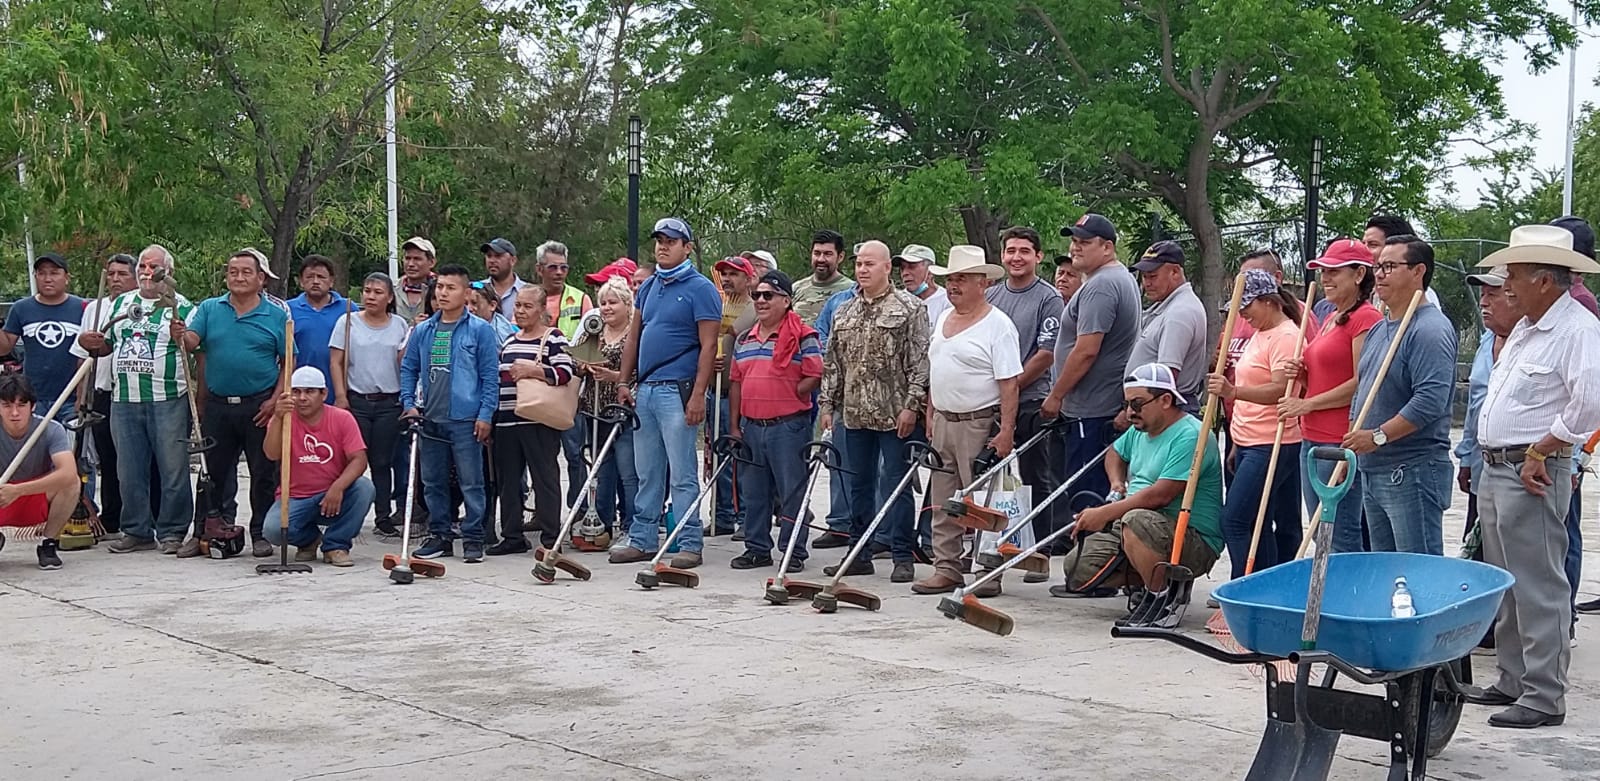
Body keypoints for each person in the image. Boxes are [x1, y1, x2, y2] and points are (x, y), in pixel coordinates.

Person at [1463, 224, 1600, 729]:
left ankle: (1543, 694)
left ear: (1543, 280)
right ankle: (1513, 678)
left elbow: (1590, 403)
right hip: (1503, 466)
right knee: (1507, 581)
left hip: (1531, 468)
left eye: (1514, 276)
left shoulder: (1577, 330)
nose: (1507, 286)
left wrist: (1544, 448)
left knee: (1538, 584)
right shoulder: (1528, 327)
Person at [1061, 364, 1224, 627]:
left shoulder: (1191, 435)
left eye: (1137, 404)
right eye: (1126, 404)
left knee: (1135, 520)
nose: (1129, 412)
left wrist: (1104, 513)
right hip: (1142, 526)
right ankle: (1161, 579)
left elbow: (1160, 496)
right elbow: (1114, 452)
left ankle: (1163, 601)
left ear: (1165, 400)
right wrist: (1117, 483)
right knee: (1077, 569)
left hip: (1190, 535)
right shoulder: (1141, 429)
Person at [611, 217, 722, 569]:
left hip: (678, 389)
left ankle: (689, 541)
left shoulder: (701, 288)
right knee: (647, 470)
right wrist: (623, 381)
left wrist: (698, 394)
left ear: (687, 247)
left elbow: (708, 346)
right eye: (660, 240)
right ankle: (643, 538)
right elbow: (634, 336)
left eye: (671, 241)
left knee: (682, 472)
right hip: (646, 388)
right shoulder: (648, 286)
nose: (663, 246)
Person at [817, 240, 930, 583]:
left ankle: (902, 555)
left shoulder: (910, 308)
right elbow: (833, 362)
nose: (862, 270)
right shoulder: (844, 310)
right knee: (859, 486)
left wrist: (912, 406)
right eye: (859, 264)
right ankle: (858, 553)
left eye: (869, 264)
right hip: (855, 414)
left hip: (895, 414)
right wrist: (827, 404)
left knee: (897, 485)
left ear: (886, 267)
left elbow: (920, 362)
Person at [913, 246, 1020, 595]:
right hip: (945, 420)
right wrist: (931, 412)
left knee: (986, 502)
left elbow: (1009, 383)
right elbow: (937, 368)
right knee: (943, 499)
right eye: (950, 279)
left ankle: (989, 570)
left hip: (980, 421)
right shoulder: (944, 317)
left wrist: (1006, 431)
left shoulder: (998, 326)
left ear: (982, 283)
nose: (953, 285)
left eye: (962, 278)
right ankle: (947, 567)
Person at [77, 245, 197, 554]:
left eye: (154, 267)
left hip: (168, 398)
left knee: (173, 469)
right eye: (142, 266)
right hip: (124, 399)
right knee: (128, 470)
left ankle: (172, 531)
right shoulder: (122, 303)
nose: (147, 272)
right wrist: (90, 342)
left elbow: (194, 347)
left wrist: (182, 335)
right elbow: (107, 346)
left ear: (168, 272)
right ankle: (136, 530)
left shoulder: (182, 307)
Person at [1343, 235, 1456, 555]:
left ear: (1418, 271)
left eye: (1390, 267)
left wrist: (1377, 436)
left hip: (1412, 471)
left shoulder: (1430, 329)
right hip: (1374, 469)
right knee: (1387, 569)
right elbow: (1364, 388)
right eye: (1378, 267)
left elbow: (1429, 401)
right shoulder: (1380, 329)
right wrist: (1353, 439)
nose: (1379, 274)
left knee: (1417, 569)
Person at [176, 247, 290, 559]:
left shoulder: (277, 316)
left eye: (246, 272)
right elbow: (192, 343)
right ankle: (203, 531)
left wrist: (274, 401)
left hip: (260, 406)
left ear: (261, 278)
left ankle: (260, 533)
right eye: (233, 272)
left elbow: (288, 362)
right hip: (218, 404)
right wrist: (180, 335)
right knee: (210, 473)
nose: (238, 277)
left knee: (263, 472)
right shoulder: (210, 309)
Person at [1280, 238, 1381, 553]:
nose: (1325, 278)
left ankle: (1345, 585)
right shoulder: (1331, 317)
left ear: (1359, 274)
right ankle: (1330, 582)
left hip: (1338, 440)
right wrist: (1302, 375)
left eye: (1335, 271)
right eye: (1323, 270)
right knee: (1321, 532)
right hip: (1312, 436)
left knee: (1339, 533)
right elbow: (1324, 378)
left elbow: (1361, 382)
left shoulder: (1366, 318)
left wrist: (1307, 404)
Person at [1205, 269, 1303, 580]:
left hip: (1272, 441)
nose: (1243, 315)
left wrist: (1233, 392)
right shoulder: (1261, 333)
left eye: (1247, 307)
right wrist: (1237, 442)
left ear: (1269, 301)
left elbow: (1280, 390)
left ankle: (1242, 585)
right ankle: (1263, 586)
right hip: (1250, 440)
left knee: (1234, 520)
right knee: (1257, 521)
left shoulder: (1286, 337)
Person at [400, 264, 502, 563]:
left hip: (466, 419)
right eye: (440, 287)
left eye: (451, 288)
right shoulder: (423, 330)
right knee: (433, 481)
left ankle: (473, 537)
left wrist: (485, 414)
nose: (443, 293)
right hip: (430, 417)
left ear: (466, 292)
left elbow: (490, 376)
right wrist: (408, 403)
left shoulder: (480, 330)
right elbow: (408, 368)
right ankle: (440, 535)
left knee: (472, 482)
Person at [728, 270, 824, 570]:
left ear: (785, 300)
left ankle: (793, 551)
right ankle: (757, 548)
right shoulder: (744, 338)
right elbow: (736, 382)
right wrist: (734, 426)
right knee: (754, 492)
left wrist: (793, 392)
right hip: (752, 426)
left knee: (792, 491)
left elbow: (815, 373)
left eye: (768, 295)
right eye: (756, 295)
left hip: (788, 426)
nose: (760, 300)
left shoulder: (804, 336)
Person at [1043, 214, 1140, 505]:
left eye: (1084, 242)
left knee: (1086, 496)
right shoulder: (1117, 277)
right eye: (1074, 241)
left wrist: (1056, 395)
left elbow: (1086, 350)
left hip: (1092, 409)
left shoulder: (1102, 285)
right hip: (1098, 406)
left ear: (1107, 247)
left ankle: (1091, 537)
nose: (1075, 248)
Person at [984, 228, 1063, 574]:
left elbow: (1046, 353)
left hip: (1032, 400)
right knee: (987, 475)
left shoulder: (1049, 298)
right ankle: (986, 548)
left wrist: (1011, 387)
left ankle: (1039, 552)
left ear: (1038, 256)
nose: (1017, 257)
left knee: (1035, 477)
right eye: (1011, 250)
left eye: (1025, 251)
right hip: (991, 403)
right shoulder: (991, 295)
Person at [488, 285, 575, 554]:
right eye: (518, 305)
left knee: (544, 478)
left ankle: (551, 538)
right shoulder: (509, 340)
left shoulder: (553, 338)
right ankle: (512, 535)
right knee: (509, 480)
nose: (521, 311)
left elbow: (565, 373)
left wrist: (533, 370)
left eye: (527, 306)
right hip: (506, 420)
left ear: (541, 309)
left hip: (538, 420)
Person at [260, 367, 375, 567]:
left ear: (324, 394)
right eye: (296, 392)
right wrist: (277, 418)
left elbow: (359, 459)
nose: (302, 398)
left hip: (334, 495)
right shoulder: (284, 419)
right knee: (272, 530)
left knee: (364, 488)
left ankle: (336, 545)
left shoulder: (342, 418)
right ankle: (309, 540)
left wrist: (338, 487)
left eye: (309, 391)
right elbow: (271, 454)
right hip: (296, 496)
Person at [329, 272, 410, 538]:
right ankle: (341, 513)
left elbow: (406, 363)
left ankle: (383, 516)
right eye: (367, 291)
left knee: (382, 461)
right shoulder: (348, 321)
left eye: (378, 292)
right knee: (352, 459)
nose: (371, 296)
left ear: (390, 298)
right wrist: (340, 396)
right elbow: (336, 361)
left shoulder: (400, 325)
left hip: (389, 402)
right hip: (357, 401)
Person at [69, 253, 138, 537]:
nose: (115, 279)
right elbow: (82, 355)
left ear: (135, 277)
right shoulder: (95, 309)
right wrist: (80, 396)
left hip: (131, 394)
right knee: (106, 460)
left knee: (133, 461)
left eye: (122, 274)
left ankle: (144, 518)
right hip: (100, 393)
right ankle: (111, 517)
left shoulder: (140, 307)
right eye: (111, 274)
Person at [533, 240, 596, 524]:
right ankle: (543, 512)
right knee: (541, 456)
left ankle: (579, 512)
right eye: (552, 267)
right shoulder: (530, 299)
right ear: (539, 269)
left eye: (563, 267)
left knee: (575, 452)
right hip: (538, 387)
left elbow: (592, 341)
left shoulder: (580, 299)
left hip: (572, 388)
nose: (559, 273)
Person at [574, 277, 638, 545]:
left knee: (628, 471)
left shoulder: (635, 332)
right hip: (594, 410)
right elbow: (575, 360)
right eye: (603, 302)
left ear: (627, 304)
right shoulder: (594, 329)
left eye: (613, 302)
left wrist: (614, 376)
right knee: (601, 470)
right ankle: (601, 523)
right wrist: (585, 365)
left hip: (622, 410)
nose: (607, 308)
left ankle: (632, 525)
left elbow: (640, 371)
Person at [0, 372, 82, 570]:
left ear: (33, 406)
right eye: (7, 405)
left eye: (21, 405)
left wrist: (18, 491)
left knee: (72, 482)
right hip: (2, 496)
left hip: (36, 496)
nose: (14, 413)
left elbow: (68, 473)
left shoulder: (51, 429)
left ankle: (48, 544)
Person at [1, 253, 86, 421]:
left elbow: (89, 356)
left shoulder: (83, 307)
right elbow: (4, 348)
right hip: (33, 397)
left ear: (66, 277)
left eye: (54, 273)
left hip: (71, 398)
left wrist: (82, 395)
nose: (48, 279)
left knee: (70, 438)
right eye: (41, 273)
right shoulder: (21, 308)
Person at [708, 255, 758, 536]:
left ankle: (745, 517)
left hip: (740, 394)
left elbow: (736, 336)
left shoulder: (754, 308)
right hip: (715, 391)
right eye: (724, 274)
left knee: (741, 457)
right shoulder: (716, 305)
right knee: (717, 456)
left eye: (734, 274)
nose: (727, 279)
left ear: (748, 279)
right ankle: (721, 515)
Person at [1127, 241, 1206, 414]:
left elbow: (1166, 377)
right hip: (1158, 407)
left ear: (1175, 272)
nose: (1146, 283)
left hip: (1166, 410)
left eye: (1152, 276)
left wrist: (1134, 410)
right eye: (1144, 277)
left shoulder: (1180, 312)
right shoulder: (1169, 305)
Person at [288, 254, 348, 404]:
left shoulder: (348, 309)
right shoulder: (288, 309)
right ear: (301, 281)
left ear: (331, 281)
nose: (315, 281)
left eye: (321, 277)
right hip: (300, 391)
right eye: (309, 277)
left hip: (338, 389)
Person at [793, 229, 855, 323]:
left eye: (828, 254)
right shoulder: (796, 289)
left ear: (840, 257)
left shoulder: (852, 290)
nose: (821, 259)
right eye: (817, 253)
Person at [894, 244, 951, 325]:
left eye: (912, 267)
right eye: (902, 268)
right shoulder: (896, 301)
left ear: (930, 271)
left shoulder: (947, 301)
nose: (905, 273)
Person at [480, 237, 528, 319]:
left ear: (513, 260)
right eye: (489, 256)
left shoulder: (528, 292)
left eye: (498, 256)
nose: (492, 260)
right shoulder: (477, 290)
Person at [396, 237, 437, 324]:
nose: (411, 264)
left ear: (431, 262)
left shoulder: (440, 291)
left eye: (417, 259)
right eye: (407, 258)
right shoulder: (392, 289)